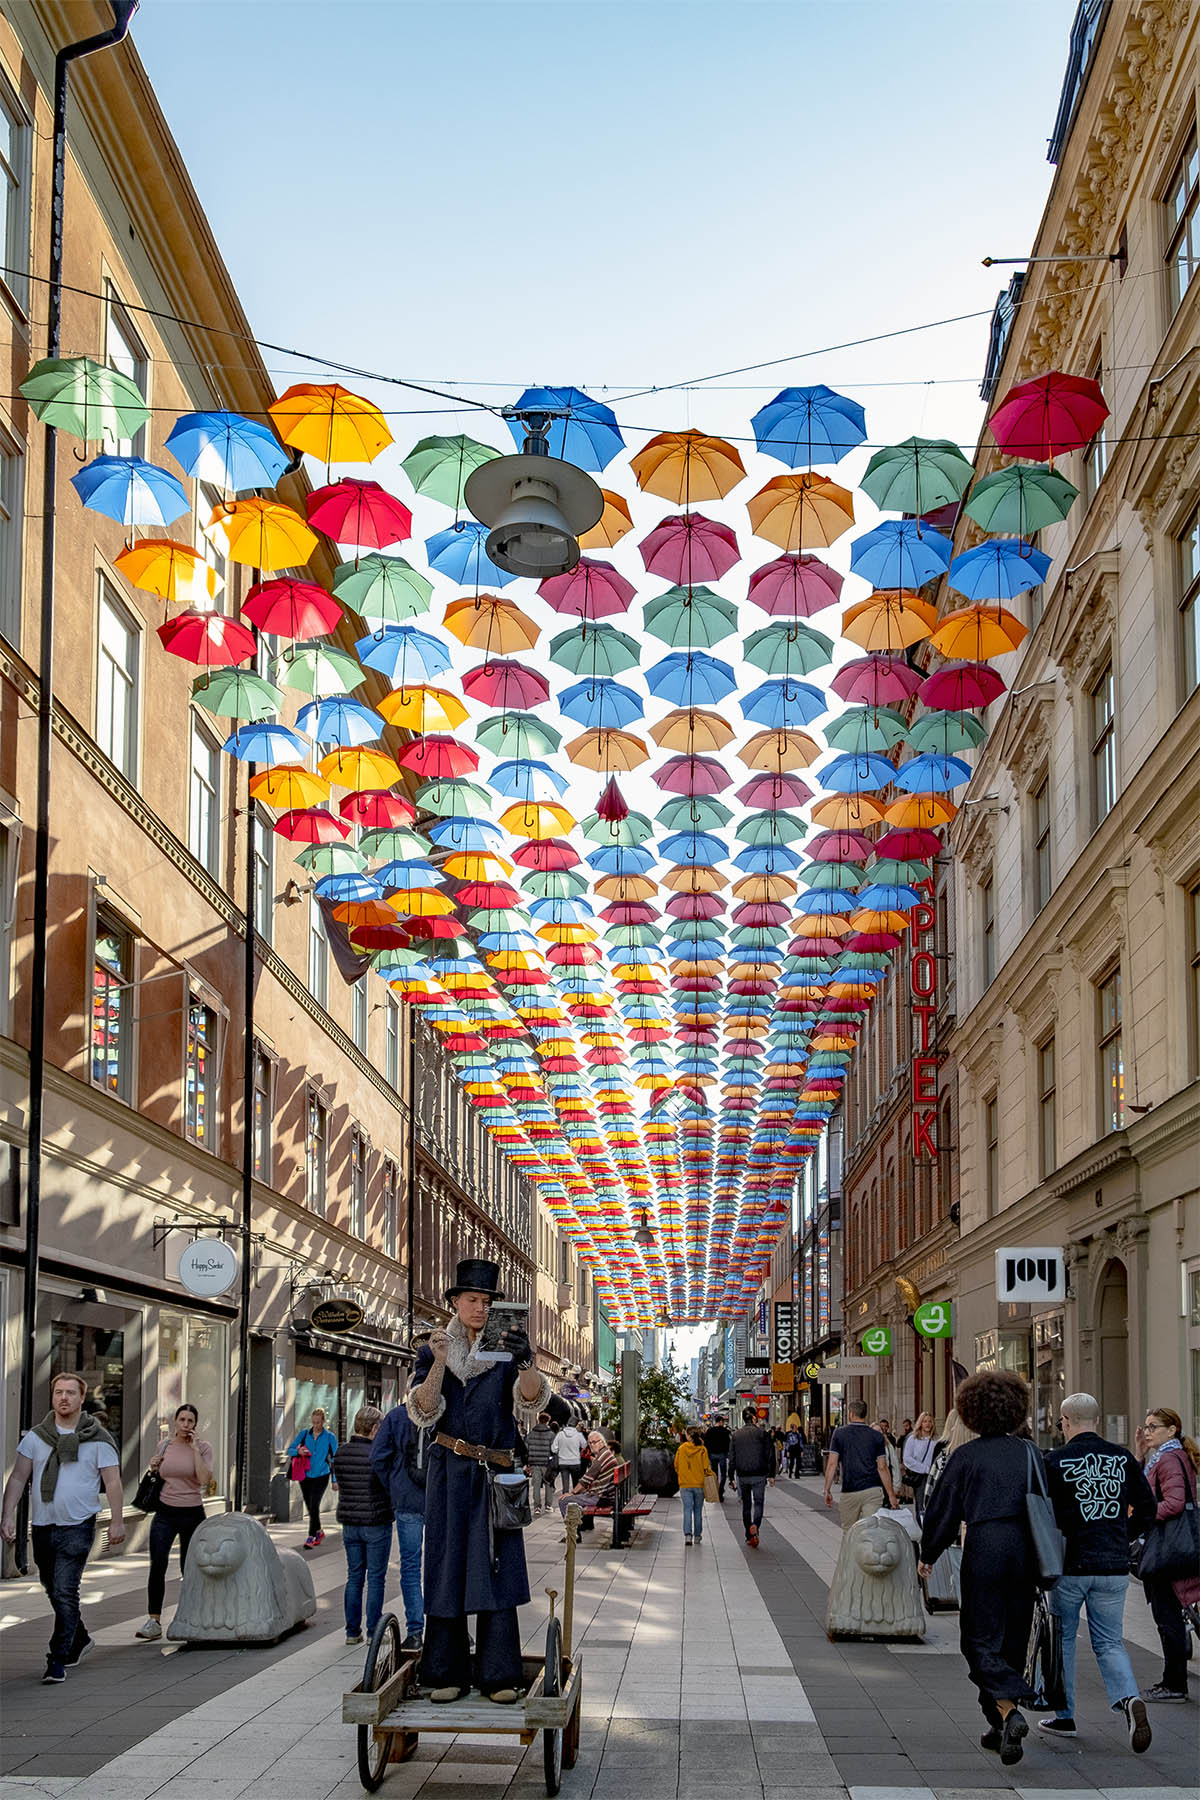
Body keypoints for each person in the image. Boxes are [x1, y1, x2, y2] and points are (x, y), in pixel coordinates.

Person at [406, 1258, 549, 1704]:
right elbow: (423, 1412)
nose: (481, 1308)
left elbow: (530, 1403)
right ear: (455, 1302)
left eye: (487, 1301)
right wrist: (439, 1363)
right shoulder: (433, 1348)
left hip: (497, 1473)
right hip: (450, 1471)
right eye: (473, 1300)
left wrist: (526, 1361)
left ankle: (499, 1674)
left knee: (497, 1569)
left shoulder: (505, 1350)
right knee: (447, 1565)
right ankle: (445, 1672)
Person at [918, 1370, 1040, 1767]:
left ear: (971, 1411)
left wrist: (929, 1553)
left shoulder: (966, 1456)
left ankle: (1008, 1711)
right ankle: (1002, 1719)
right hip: (1026, 1550)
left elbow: (943, 1510)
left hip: (985, 1546)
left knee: (978, 1638)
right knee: (1014, 1634)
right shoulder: (1030, 1453)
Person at [1038, 1392, 1155, 1749]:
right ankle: (1129, 1698)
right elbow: (1148, 1508)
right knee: (1109, 1641)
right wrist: (1122, 1536)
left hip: (1070, 1564)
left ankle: (1064, 1715)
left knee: (1063, 1641)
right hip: (1113, 1565)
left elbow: (1043, 1513)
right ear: (1098, 1421)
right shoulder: (1122, 1458)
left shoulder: (1054, 1460)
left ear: (1065, 1422)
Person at [1, 1372, 124, 1683]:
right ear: (52, 1397)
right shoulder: (36, 1438)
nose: (64, 1397)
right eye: (59, 1392)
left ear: (82, 1399)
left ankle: (57, 1657)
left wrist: (119, 1520)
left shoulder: (98, 1439)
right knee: (53, 1589)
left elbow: (112, 1482)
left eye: (71, 1392)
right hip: (42, 1525)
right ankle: (79, 1638)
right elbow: (18, 1477)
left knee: (66, 1591)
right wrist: (7, 1515)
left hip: (79, 1526)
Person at [1135, 1403, 1200, 1703]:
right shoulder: (1168, 1456)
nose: (1147, 1432)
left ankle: (1173, 1684)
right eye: (1146, 1427)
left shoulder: (1169, 1459)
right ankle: (1173, 1681)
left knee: (1168, 1617)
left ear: (1171, 1430)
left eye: (1153, 1428)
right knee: (1173, 1613)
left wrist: (1144, 1514)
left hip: (1168, 1548)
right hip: (1174, 1545)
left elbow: (1174, 1503)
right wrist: (1139, 1455)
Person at [135, 1403, 213, 1642]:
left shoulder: (203, 1447)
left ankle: (193, 1616)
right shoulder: (164, 1445)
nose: (186, 1425)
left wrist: (195, 1451)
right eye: (182, 1420)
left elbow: (203, 1480)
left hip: (192, 1513)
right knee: (157, 1564)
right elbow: (159, 1476)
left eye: (190, 1421)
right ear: (175, 1421)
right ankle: (154, 1620)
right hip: (165, 1512)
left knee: (189, 1568)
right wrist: (154, 1467)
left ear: (195, 1425)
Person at [369, 1396, 427, 1651]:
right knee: (443, 1565)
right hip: (440, 1502)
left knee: (411, 1568)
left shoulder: (396, 1416)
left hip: (406, 1501)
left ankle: (415, 1631)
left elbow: (378, 1457)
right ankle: (448, 1628)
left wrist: (393, 1486)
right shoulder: (444, 1412)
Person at [332, 1406, 393, 1646]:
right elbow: (387, 1485)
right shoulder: (378, 1454)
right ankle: (373, 1632)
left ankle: (351, 1631)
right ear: (375, 1428)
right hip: (376, 1521)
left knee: (354, 1576)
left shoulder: (341, 1452)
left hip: (350, 1523)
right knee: (376, 1578)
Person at [824, 1399, 898, 1526]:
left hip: (850, 1490)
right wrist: (891, 1494)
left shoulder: (839, 1434)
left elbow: (832, 1464)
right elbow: (882, 1467)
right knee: (871, 1530)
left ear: (851, 1414)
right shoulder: (877, 1436)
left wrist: (827, 1489)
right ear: (865, 1414)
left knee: (849, 1532)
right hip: (873, 1490)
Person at [285, 1406, 338, 1547]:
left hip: (322, 1474)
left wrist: (334, 1480)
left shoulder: (329, 1437)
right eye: (314, 1422)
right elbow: (290, 1450)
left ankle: (311, 1536)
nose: (315, 1425)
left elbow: (335, 1460)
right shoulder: (304, 1434)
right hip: (305, 1475)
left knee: (314, 1504)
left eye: (318, 1422)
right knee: (310, 1506)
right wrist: (298, 1451)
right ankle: (319, 1531)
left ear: (323, 1422)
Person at [561, 1430, 620, 1537]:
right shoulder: (606, 1454)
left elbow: (585, 1481)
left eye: (595, 1442)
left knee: (564, 1501)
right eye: (590, 1443)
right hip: (609, 1495)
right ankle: (581, 1528)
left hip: (602, 1498)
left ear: (602, 1442)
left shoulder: (600, 1459)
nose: (592, 1445)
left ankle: (573, 1535)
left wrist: (572, 1493)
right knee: (577, 1498)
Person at [731, 1407, 775, 1547]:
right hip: (759, 1474)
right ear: (755, 1418)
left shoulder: (736, 1435)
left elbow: (731, 1457)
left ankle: (749, 1534)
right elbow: (770, 1455)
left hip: (743, 1474)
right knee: (758, 1503)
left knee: (746, 1506)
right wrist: (772, 1474)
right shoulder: (762, 1433)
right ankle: (755, 1526)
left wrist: (731, 1476)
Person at [674, 1428, 712, 1546]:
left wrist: (683, 1474)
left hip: (685, 1484)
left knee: (687, 1509)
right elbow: (706, 1467)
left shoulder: (681, 1449)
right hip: (699, 1485)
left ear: (689, 1436)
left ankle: (688, 1536)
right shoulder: (702, 1450)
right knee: (697, 1511)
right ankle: (697, 1536)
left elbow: (676, 1465)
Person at [901, 1413, 938, 1516]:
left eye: (930, 1421)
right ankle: (923, 1526)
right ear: (920, 1423)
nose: (927, 1424)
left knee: (933, 1503)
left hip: (934, 1476)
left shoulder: (936, 1440)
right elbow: (907, 1459)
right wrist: (925, 1468)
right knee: (921, 1504)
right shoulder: (912, 1439)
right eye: (925, 1421)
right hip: (920, 1477)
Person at [523, 1411, 557, 1514]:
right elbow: (554, 1449)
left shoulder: (531, 1434)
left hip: (534, 1463)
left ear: (538, 1420)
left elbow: (526, 1448)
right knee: (548, 1484)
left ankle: (537, 1507)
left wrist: (528, 1461)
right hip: (547, 1463)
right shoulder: (551, 1434)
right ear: (547, 1421)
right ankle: (548, 1505)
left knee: (536, 1485)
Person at [551, 1417, 586, 1494]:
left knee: (565, 1486)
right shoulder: (579, 1435)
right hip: (575, 1462)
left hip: (563, 1462)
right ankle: (576, 1502)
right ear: (576, 1425)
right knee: (576, 1485)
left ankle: (565, 1502)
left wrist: (560, 1450)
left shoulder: (560, 1434)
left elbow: (553, 1449)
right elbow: (584, 1446)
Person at [703, 1414, 731, 1500]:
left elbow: (706, 1443)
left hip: (712, 1455)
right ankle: (721, 1489)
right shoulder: (725, 1431)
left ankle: (716, 1489)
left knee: (714, 1474)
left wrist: (708, 1453)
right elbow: (728, 1443)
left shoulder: (710, 1431)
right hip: (722, 1454)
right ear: (721, 1422)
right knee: (723, 1474)